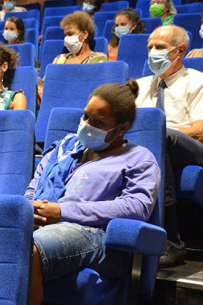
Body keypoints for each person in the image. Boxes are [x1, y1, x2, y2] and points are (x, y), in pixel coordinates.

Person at [25, 81, 160, 305]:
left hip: (97, 236)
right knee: (0, 237)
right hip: (44, 223)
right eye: (86, 116)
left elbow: (137, 207)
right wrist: (29, 209)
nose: (87, 124)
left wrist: (62, 212)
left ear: (121, 129)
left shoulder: (139, 158)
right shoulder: (64, 148)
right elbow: (34, 186)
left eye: (98, 122)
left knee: (29, 248)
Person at [135, 25, 203, 267]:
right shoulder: (139, 86)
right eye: (150, 47)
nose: (152, 52)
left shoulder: (200, 81)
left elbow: (201, 131)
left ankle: (171, 241)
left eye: (159, 47)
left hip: (191, 149)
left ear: (180, 50)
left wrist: (153, 133)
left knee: (160, 135)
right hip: (150, 148)